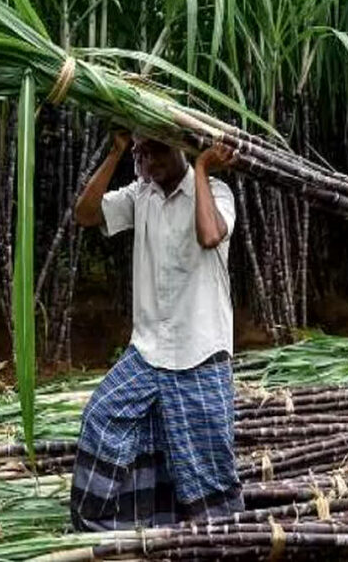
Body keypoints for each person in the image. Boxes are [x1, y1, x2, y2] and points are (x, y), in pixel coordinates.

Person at [69, 131, 242, 530]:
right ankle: (105, 534)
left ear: (180, 146)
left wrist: (200, 167)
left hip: (199, 351)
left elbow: (210, 235)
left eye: (158, 149)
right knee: (101, 417)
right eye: (142, 153)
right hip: (147, 351)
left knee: (206, 464)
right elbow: (86, 215)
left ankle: (222, 540)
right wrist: (115, 152)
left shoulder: (216, 191)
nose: (150, 161)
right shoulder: (140, 195)